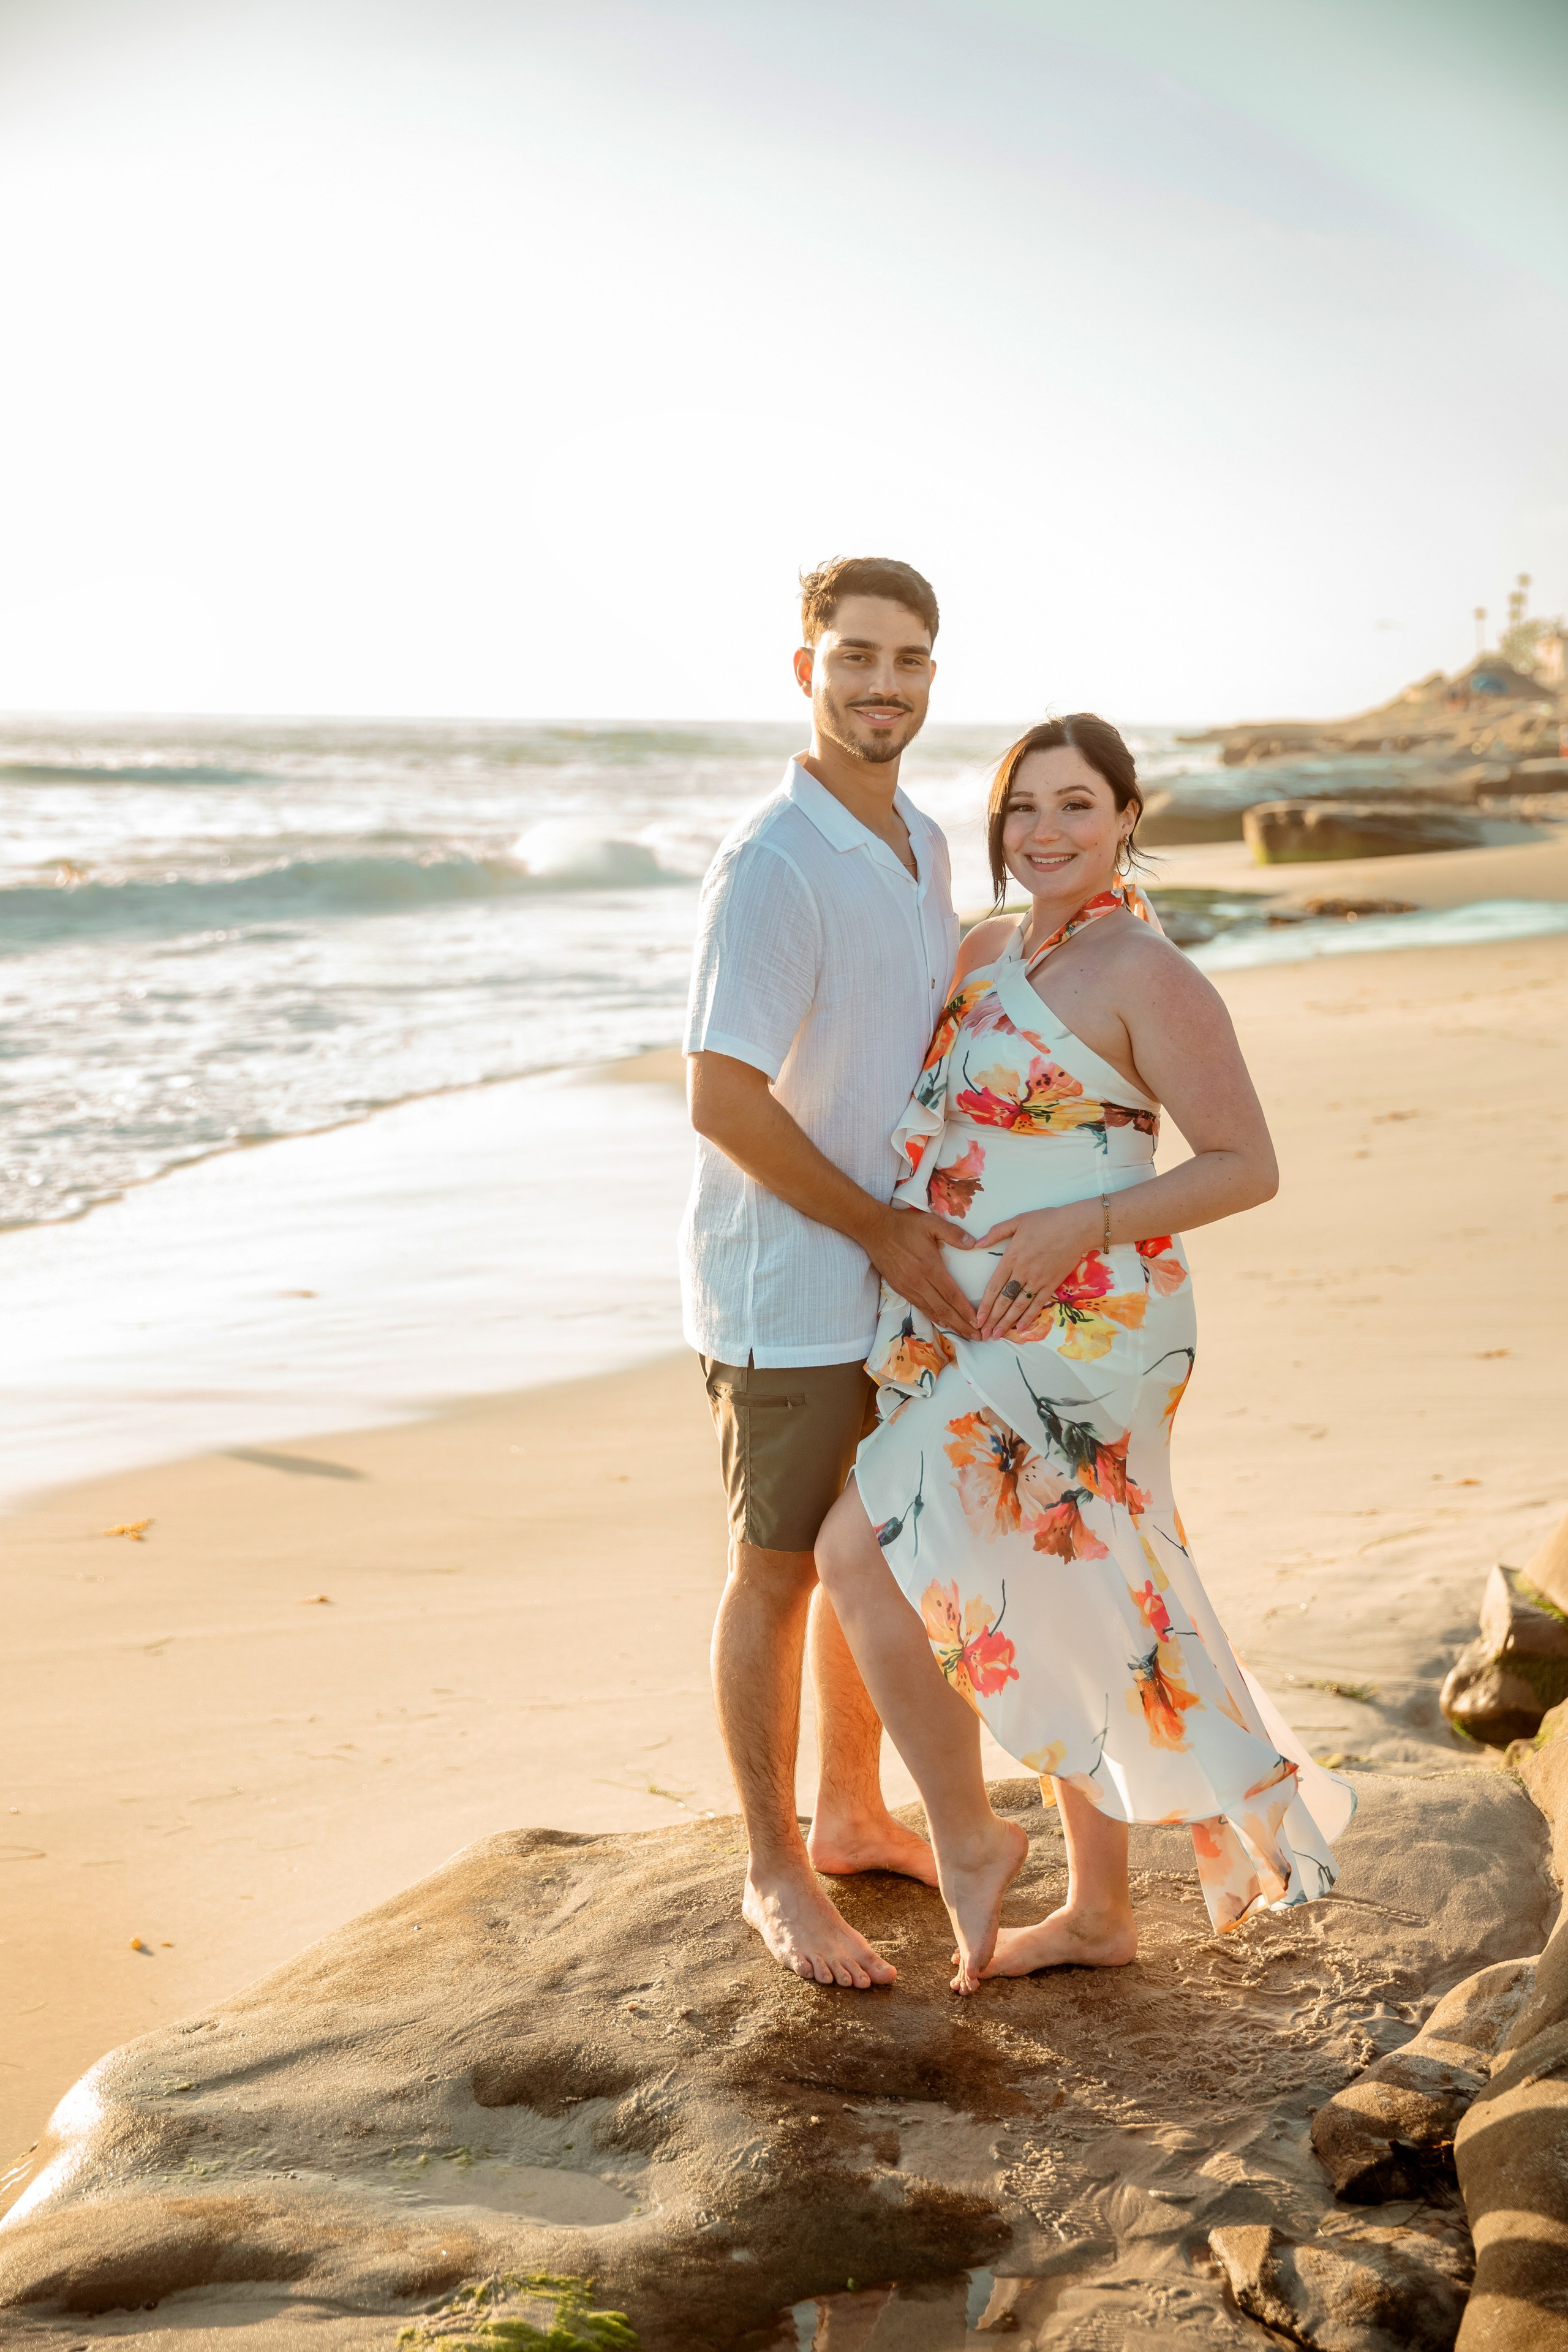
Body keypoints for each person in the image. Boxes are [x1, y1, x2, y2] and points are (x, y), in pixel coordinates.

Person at [815, 715, 1355, 1992]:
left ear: (1124, 818)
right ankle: (1099, 1911)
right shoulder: (983, 948)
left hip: (1096, 1317)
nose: (1042, 832)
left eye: (1072, 805)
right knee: (1074, 1585)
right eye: (1019, 810)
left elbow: (1245, 1167)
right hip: (970, 1314)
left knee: (856, 1543)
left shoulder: (1144, 971)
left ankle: (971, 1837)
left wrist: (1078, 1224)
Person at [680, 555, 981, 1990]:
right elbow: (721, 1100)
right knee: (779, 1572)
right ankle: (772, 1870)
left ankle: (854, 1813)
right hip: (789, 1286)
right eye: (854, 655)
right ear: (801, 666)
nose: (882, 684)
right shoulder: (774, 860)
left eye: (908, 660)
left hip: (897, 1277)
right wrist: (875, 1228)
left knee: (879, 1559)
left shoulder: (922, 841)